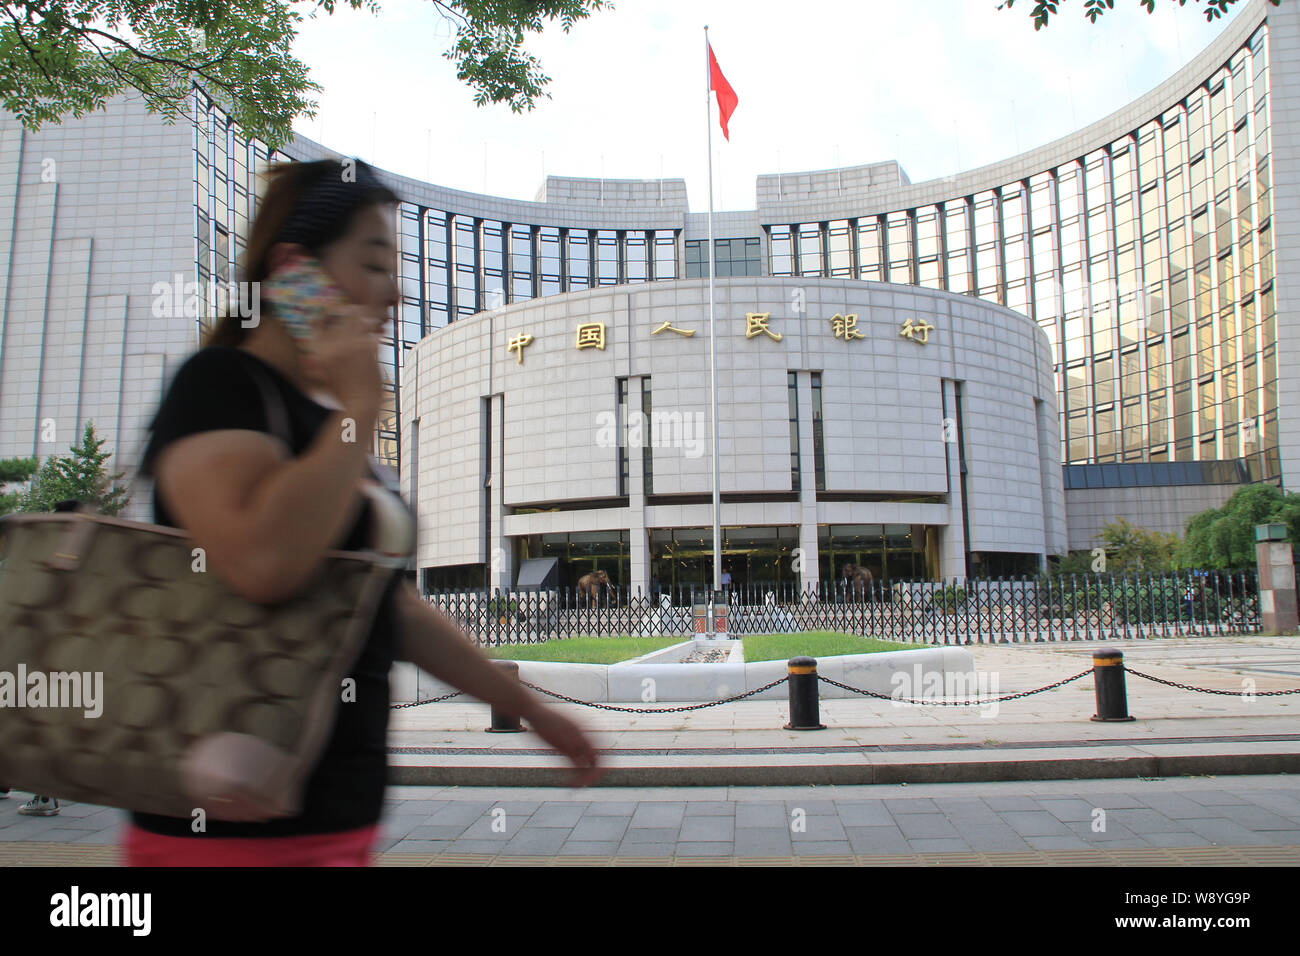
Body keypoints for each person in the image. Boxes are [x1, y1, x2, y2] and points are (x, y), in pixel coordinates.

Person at [126, 158, 601, 866]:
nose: (398, 292)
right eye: (375, 263)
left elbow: (388, 605)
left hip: (335, 822)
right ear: (294, 270)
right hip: (222, 829)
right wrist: (359, 409)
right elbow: (261, 562)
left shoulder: (331, 424)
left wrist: (530, 709)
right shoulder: (220, 386)